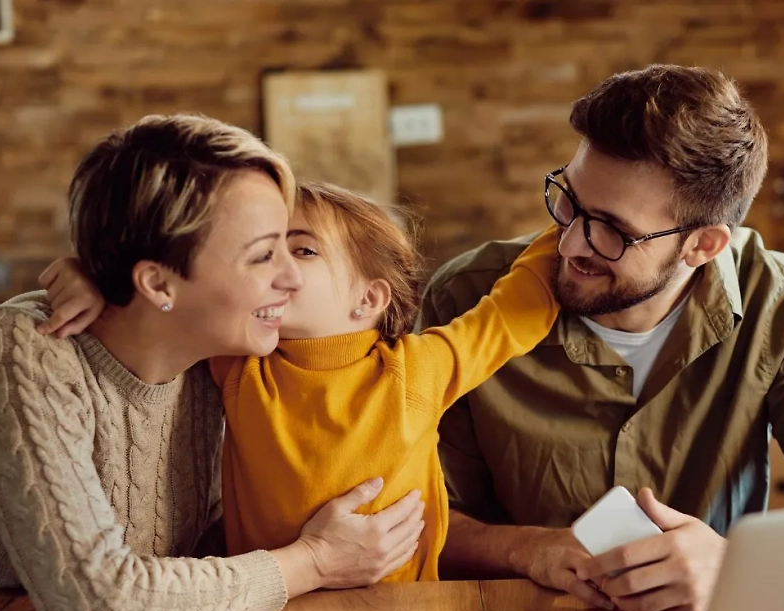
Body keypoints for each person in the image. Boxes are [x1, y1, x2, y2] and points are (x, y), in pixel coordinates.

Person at [0, 115, 426, 611]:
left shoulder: (218, 356)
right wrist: (313, 562)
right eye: (264, 255)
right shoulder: (22, 347)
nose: (291, 279)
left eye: (295, 252)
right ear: (157, 282)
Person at [419, 65, 784, 611]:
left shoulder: (780, 302)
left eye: (612, 230)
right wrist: (527, 549)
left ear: (702, 245)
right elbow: (414, 518)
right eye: (569, 201)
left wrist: (738, 566)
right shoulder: (464, 297)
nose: (570, 244)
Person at [40, 181, 561, 582]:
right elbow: (161, 302)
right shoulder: (240, 363)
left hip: (403, 610)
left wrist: (573, 222)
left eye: (303, 251)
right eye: (265, 253)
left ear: (369, 298)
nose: (278, 269)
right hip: (268, 603)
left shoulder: (420, 369)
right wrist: (93, 278)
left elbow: (514, 310)